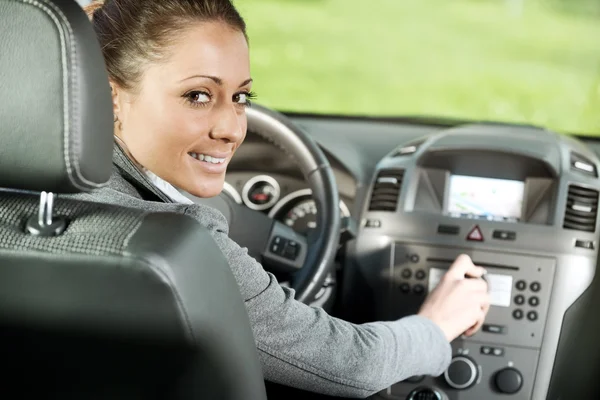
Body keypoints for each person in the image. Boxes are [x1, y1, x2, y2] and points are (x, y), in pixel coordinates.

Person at [76, 0, 490, 397]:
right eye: (198, 95)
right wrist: (436, 325)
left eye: (241, 98)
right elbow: (357, 365)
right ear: (112, 98)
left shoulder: (20, 203)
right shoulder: (181, 244)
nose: (232, 130)